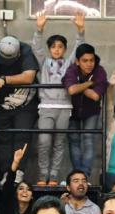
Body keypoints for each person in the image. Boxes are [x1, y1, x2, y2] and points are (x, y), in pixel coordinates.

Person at [33, 12, 85, 185]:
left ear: (64, 49)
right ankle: (42, 175)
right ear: (49, 49)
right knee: (44, 140)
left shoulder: (69, 64)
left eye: (60, 46)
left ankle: (53, 176)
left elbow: (79, 50)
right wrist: (39, 29)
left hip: (64, 107)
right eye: (54, 46)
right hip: (46, 107)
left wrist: (80, 31)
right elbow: (36, 49)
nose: (57, 49)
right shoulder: (43, 63)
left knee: (59, 142)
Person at [0, 35, 39, 177]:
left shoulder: (25, 50)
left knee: (22, 135)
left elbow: (29, 76)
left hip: (25, 105)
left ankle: (19, 172)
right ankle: (7, 172)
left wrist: (4, 79)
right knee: (2, 139)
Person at [62, 43, 108, 178]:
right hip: (73, 111)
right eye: (85, 61)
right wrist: (89, 83)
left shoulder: (99, 71)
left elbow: (95, 96)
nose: (89, 64)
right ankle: (77, 176)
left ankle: (85, 176)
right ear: (77, 61)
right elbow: (71, 90)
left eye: (91, 60)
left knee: (88, 140)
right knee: (74, 141)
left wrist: (78, 86)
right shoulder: (72, 70)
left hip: (91, 111)